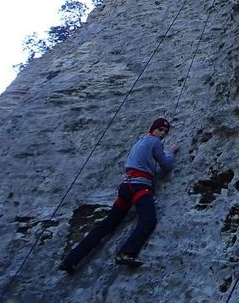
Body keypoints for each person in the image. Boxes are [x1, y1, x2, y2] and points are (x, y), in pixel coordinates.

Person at [60, 117, 178, 272]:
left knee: (107, 224)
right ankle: (127, 252)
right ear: (153, 129)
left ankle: (72, 259)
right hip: (139, 187)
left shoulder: (139, 142)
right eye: (160, 130)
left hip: (126, 187)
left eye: (165, 132)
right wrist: (171, 153)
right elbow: (166, 165)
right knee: (148, 220)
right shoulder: (155, 142)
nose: (162, 134)